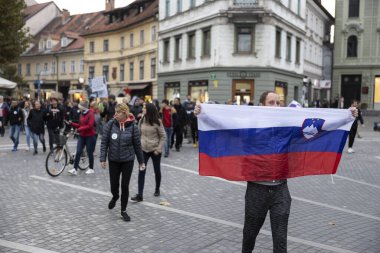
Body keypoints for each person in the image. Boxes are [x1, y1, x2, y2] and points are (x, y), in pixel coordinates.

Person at [194, 91, 358, 253]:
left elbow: (320, 128)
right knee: (250, 235)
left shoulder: (287, 127)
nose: (276, 106)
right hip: (256, 191)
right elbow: (223, 126)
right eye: (271, 102)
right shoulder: (248, 126)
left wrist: (347, 117)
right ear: (261, 106)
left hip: (281, 191)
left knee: (280, 242)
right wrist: (204, 115)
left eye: (278, 102)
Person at [100, 103, 145, 222]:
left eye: (118, 112)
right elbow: (104, 142)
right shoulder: (110, 124)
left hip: (128, 160)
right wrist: (102, 159)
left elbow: (137, 145)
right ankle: (115, 196)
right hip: (113, 160)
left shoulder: (133, 126)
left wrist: (141, 162)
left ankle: (123, 210)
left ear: (125, 113)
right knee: (114, 185)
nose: (115, 114)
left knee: (124, 185)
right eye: (115, 112)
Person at [131, 103, 166, 202]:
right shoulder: (141, 119)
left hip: (155, 150)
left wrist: (158, 149)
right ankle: (140, 195)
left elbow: (163, 136)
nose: (143, 109)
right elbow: (138, 134)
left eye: (144, 108)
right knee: (141, 171)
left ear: (149, 110)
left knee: (157, 171)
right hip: (143, 150)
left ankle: (157, 189)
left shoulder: (157, 122)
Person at [68, 101, 97, 175]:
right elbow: (80, 125)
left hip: (90, 136)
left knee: (89, 152)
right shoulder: (81, 114)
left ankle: (91, 168)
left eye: (80, 107)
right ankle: (74, 169)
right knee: (78, 152)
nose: (78, 109)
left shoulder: (90, 113)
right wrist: (72, 123)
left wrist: (80, 129)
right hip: (82, 136)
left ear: (83, 108)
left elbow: (90, 126)